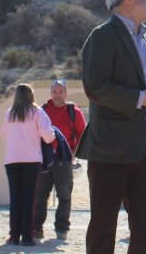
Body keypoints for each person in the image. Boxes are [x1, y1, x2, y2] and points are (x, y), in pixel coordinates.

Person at [78, 0, 146, 254]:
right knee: (103, 229)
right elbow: (95, 86)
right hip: (110, 149)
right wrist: (142, 98)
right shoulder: (102, 36)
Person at [1, 83, 57, 246]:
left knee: (15, 198)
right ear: (30, 95)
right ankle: (27, 237)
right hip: (31, 160)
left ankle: (13, 236)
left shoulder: (9, 113)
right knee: (29, 198)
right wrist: (54, 134)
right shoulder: (37, 111)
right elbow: (48, 136)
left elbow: (5, 133)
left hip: (12, 159)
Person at [35, 79, 87, 241]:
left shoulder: (74, 112)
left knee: (64, 197)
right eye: (54, 92)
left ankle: (61, 229)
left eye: (60, 92)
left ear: (66, 93)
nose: (57, 95)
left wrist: (73, 154)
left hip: (64, 161)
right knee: (40, 196)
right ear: (50, 93)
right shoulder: (41, 111)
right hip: (44, 161)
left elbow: (83, 135)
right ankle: (36, 229)